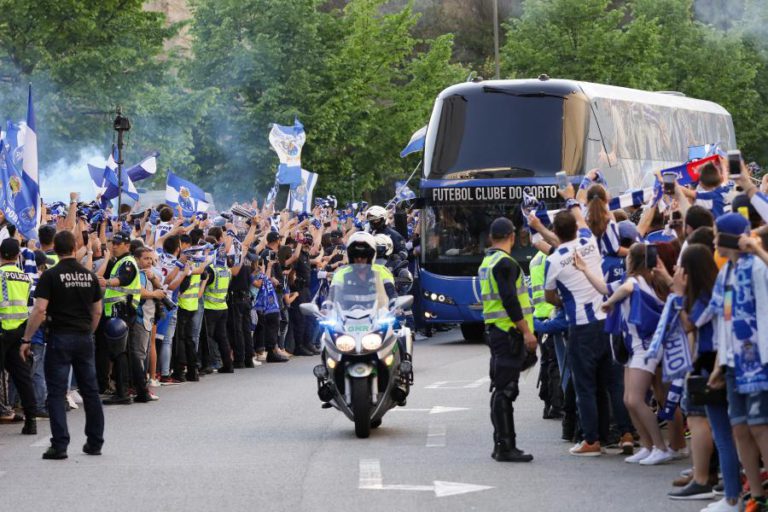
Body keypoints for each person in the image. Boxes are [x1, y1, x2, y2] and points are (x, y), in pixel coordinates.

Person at [21, 230, 104, 460]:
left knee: (56, 393)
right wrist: (88, 331)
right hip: (83, 336)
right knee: (90, 391)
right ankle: (95, 442)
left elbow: (39, 309)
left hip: (59, 337)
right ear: (74, 247)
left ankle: (60, 445)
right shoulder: (89, 276)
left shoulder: (51, 275)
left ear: (56, 250)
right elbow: (97, 310)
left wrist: (27, 338)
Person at [544, 208, 612, 457]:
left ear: (555, 232)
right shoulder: (590, 242)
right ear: (574, 228)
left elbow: (549, 295)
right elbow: (584, 220)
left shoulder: (552, 261)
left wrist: (561, 301)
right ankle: (606, 435)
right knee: (603, 383)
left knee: (584, 386)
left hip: (580, 326)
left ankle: (590, 439)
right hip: (604, 320)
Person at [478, 217, 536, 463]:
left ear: (492, 237)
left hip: (497, 331)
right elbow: (510, 300)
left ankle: (502, 444)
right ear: (512, 237)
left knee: (502, 388)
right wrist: (526, 332)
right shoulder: (505, 263)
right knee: (506, 390)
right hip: (508, 332)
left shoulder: (488, 261)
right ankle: (505, 446)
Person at [0, 239, 37, 436]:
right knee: (22, 377)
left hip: (2, 329)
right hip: (19, 331)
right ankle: (31, 421)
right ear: (18, 256)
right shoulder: (25, 277)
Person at [98, 232, 141, 404]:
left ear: (127, 245)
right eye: (113, 243)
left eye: (117, 243)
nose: (113, 246)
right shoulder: (118, 262)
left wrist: (107, 282)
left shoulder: (128, 262)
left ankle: (123, 392)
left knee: (121, 353)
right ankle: (137, 390)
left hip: (122, 311)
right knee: (122, 352)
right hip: (116, 311)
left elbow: (123, 279)